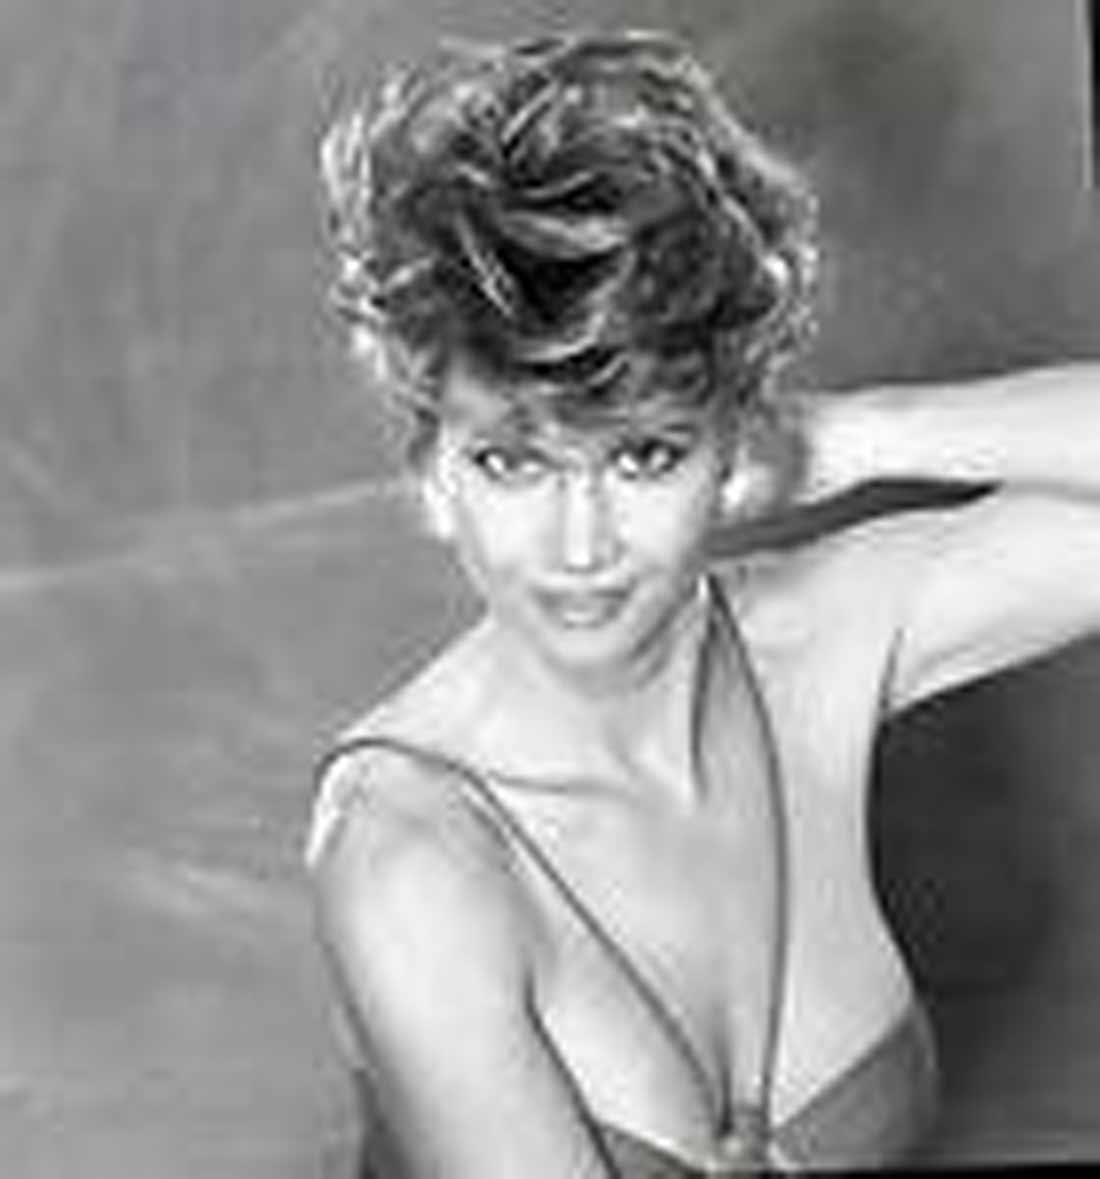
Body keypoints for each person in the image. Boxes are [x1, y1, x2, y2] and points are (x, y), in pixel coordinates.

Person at [305, 30, 1100, 1176]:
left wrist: (852, 438)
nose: (580, 548)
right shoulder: (411, 857)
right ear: (430, 477)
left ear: (729, 455)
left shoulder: (818, 642)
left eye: (644, 456)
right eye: (511, 464)